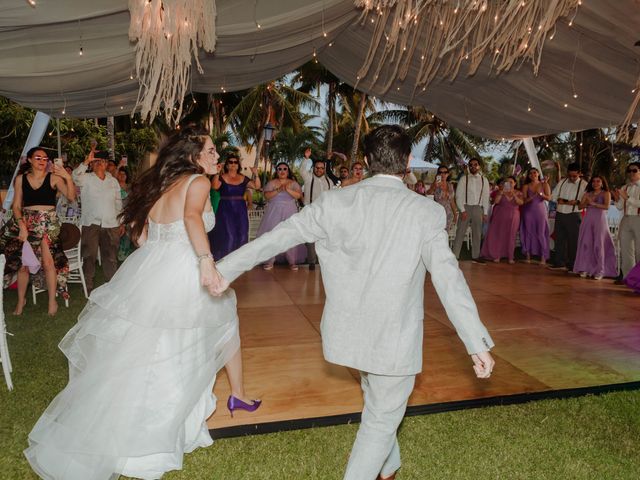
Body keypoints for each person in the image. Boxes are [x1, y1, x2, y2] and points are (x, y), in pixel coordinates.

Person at [213, 125, 495, 480]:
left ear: (365, 160)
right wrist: (475, 340)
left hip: (347, 336)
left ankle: (388, 469)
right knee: (379, 420)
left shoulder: (334, 202)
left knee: (377, 402)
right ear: (407, 162)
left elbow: (275, 238)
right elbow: (448, 278)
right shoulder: (425, 212)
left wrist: (223, 270)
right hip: (394, 342)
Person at [24, 128, 249, 479]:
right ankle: (163, 428)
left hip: (152, 266)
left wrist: (164, 250)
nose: (216, 156)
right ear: (192, 155)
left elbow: (140, 233)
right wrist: (205, 262)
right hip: (182, 266)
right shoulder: (198, 184)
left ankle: (218, 399)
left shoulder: (159, 185)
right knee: (181, 342)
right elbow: (191, 219)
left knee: (148, 345)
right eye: (210, 151)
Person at [0, 147, 75, 315]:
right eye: (38, 158)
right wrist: (21, 226)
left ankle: (52, 302)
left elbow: (71, 197)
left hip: (49, 223)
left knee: (49, 263)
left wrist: (67, 177)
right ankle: (21, 301)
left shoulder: (54, 178)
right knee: (23, 265)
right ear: (30, 160)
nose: (42, 161)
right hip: (28, 223)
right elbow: (17, 206)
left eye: (45, 158)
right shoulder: (20, 179)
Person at [72, 149, 123, 293]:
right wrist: (85, 162)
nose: (100, 164)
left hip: (111, 223)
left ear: (107, 164)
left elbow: (118, 203)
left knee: (111, 256)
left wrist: (121, 221)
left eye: (103, 161)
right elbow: (75, 177)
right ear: (92, 164)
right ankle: (88, 285)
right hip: (91, 223)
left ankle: (112, 285)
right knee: (89, 255)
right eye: (97, 161)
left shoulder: (113, 181)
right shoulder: (86, 178)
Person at [209, 155, 260, 260]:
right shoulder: (222, 177)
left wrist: (256, 174)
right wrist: (217, 172)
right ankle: (226, 260)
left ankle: (239, 261)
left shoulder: (243, 178)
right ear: (227, 165)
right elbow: (214, 186)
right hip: (225, 209)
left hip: (240, 208)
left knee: (242, 235)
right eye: (230, 162)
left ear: (238, 165)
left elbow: (256, 186)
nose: (233, 164)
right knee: (229, 236)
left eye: (235, 162)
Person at [257, 162, 306, 270]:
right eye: (280, 169)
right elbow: (266, 196)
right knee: (272, 235)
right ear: (277, 171)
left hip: (290, 211)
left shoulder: (293, 183)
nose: (282, 171)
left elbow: (299, 195)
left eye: (285, 169)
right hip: (274, 212)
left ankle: (292, 261)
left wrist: (287, 189)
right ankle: (270, 261)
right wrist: (279, 189)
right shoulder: (272, 183)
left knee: (290, 235)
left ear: (288, 171)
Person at [573, 175, 617, 280]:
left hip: (600, 220)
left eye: (598, 181)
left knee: (599, 244)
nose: (595, 183)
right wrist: (586, 203)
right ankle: (585, 268)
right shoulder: (587, 193)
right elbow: (579, 206)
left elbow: (606, 206)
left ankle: (600, 270)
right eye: (593, 181)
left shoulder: (606, 193)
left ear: (602, 183)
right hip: (588, 219)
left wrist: (593, 203)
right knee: (586, 243)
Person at [548, 162, 588, 272]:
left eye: (574, 176)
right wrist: (561, 201)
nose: (572, 178)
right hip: (560, 213)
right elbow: (554, 196)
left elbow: (584, 201)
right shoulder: (563, 181)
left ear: (580, 174)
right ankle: (559, 262)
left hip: (574, 215)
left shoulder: (584, 185)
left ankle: (572, 264)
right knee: (559, 239)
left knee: (573, 241)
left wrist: (575, 202)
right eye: (570, 175)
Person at [299, 150, 336, 269]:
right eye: (317, 168)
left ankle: (323, 260)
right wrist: (306, 158)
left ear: (324, 169)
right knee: (310, 237)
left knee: (325, 237)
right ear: (313, 168)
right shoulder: (309, 178)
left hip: (326, 213)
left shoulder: (329, 181)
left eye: (321, 168)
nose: (319, 170)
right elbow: (302, 171)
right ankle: (311, 261)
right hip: (310, 211)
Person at [452, 158, 490, 263]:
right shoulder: (464, 179)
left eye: (475, 164)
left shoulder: (484, 180)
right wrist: (462, 210)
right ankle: (455, 256)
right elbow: (458, 195)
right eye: (471, 165)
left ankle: (476, 256)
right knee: (460, 232)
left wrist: (485, 212)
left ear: (479, 166)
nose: (473, 166)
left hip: (478, 208)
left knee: (477, 233)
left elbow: (486, 197)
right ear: (468, 166)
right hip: (466, 207)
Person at [480, 176, 524, 263]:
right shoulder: (500, 191)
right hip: (500, 216)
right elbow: (496, 202)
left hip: (513, 217)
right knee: (499, 235)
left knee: (511, 236)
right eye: (507, 182)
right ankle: (497, 255)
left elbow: (521, 202)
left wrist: (514, 194)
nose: (509, 184)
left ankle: (510, 256)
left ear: (515, 183)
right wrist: (502, 192)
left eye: (511, 182)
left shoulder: (519, 193)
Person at [613, 161, 640, 282]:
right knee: (625, 249)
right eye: (629, 171)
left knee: (639, 250)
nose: (631, 173)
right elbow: (619, 207)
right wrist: (617, 198)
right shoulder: (625, 187)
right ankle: (630, 278)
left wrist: (627, 198)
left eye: (634, 170)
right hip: (626, 218)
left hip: (638, 218)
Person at [520, 168, 551, 264]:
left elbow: (549, 198)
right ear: (529, 176)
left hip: (540, 211)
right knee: (528, 232)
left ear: (538, 174)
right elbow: (524, 201)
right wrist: (533, 197)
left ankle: (543, 257)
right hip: (528, 211)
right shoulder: (526, 186)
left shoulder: (544, 184)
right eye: (531, 173)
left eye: (535, 172)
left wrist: (541, 194)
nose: (533, 174)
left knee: (541, 233)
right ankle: (528, 256)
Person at [426, 165, 457, 231]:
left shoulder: (450, 185)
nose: (442, 174)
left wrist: (455, 214)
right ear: (438, 174)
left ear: (448, 174)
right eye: (440, 172)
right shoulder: (435, 184)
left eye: (445, 172)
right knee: (437, 234)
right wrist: (434, 186)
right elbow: (428, 193)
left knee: (445, 235)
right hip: (438, 214)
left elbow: (452, 201)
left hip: (448, 214)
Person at [117, 167, 133, 261]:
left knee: (127, 234)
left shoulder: (130, 187)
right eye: (120, 174)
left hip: (128, 213)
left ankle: (125, 255)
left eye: (124, 174)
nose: (122, 176)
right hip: (117, 213)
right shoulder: (114, 186)